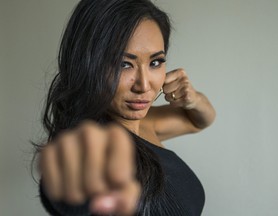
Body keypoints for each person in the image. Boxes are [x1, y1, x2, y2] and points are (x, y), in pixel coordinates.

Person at [35, 0, 216, 215]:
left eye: (155, 62)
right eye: (124, 64)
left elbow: (200, 120)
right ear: (88, 65)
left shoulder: (146, 123)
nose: (144, 85)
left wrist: (192, 99)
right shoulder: (94, 147)